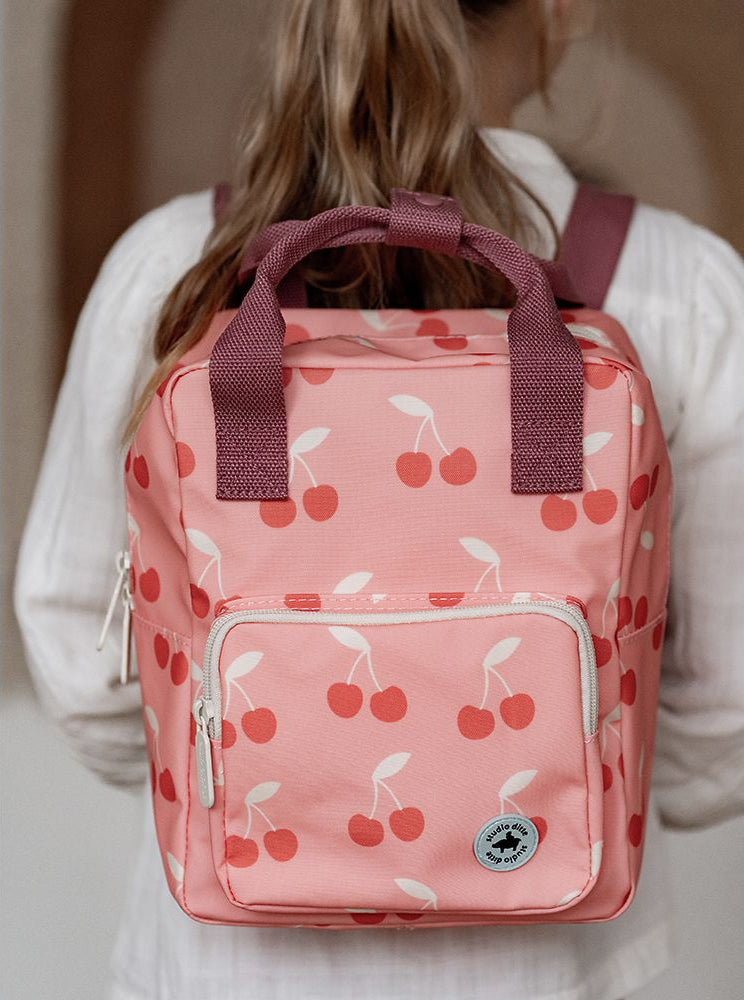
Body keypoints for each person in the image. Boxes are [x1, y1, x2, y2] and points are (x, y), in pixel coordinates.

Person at [14, 1, 744, 998]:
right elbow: (728, 704)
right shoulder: (683, 287)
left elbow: (77, 652)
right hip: (550, 962)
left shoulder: (169, 266)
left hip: (225, 966)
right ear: (564, 9)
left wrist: (260, 786)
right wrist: (568, 782)